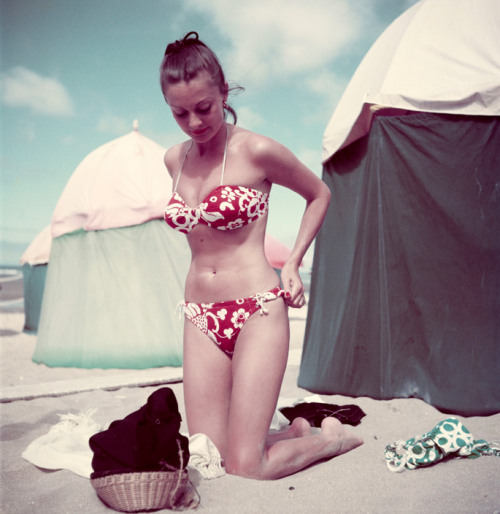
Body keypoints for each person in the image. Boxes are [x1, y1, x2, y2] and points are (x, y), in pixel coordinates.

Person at [159, 31, 363, 480]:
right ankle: (295, 432)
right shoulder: (174, 160)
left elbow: (319, 193)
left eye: (204, 107)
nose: (194, 122)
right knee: (210, 459)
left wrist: (291, 262)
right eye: (180, 112)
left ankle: (332, 439)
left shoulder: (257, 150)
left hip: (257, 309)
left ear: (224, 92)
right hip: (199, 315)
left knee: (247, 467)